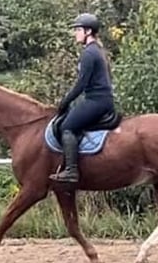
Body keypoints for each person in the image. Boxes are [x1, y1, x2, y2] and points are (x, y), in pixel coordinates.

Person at [49, 12, 115, 185]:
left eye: (78, 29)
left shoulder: (89, 53)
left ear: (88, 32)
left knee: (67, 126)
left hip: (97, 101)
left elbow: (81, 84)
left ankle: (71, 171)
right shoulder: (98, 50)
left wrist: (65, 101)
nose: (75, 33)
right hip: (102, 99)